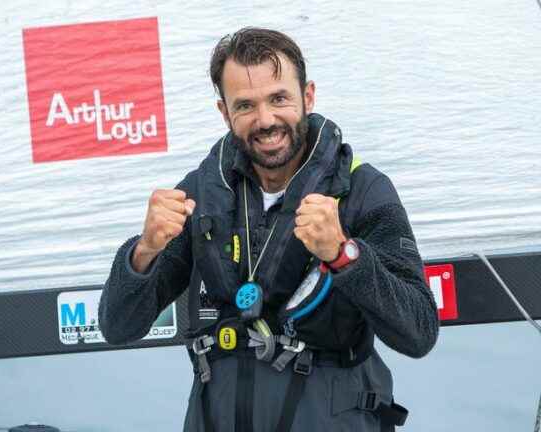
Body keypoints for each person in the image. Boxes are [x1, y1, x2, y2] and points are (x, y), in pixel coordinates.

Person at [99, 27, 439, 432]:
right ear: (225, 113)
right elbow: (118, 327)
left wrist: (344, 255)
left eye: (279, 99)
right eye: (245, 105)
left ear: (307, 96)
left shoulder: (362, 189)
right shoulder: (199, 193)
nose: (265, 120)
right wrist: (144, 252)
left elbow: (419, 332)